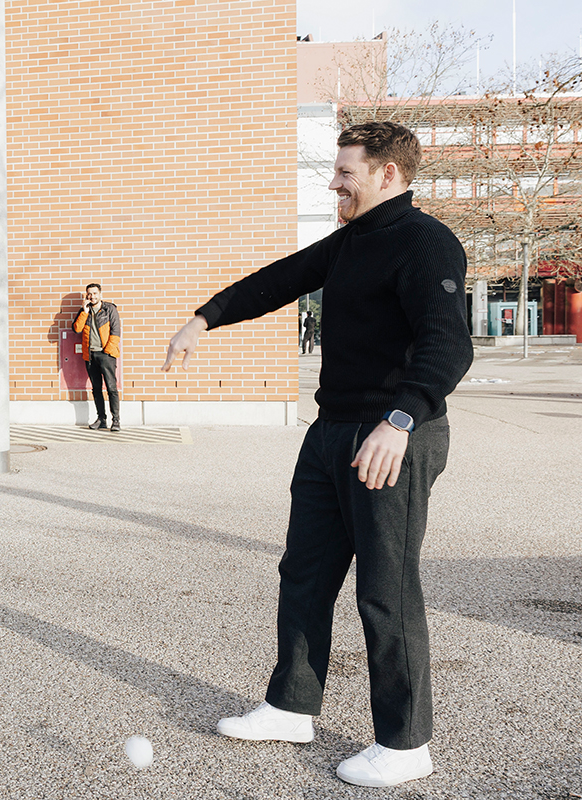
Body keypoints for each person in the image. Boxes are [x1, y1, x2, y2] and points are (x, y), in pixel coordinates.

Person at [162, 121, 472, 788]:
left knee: (384, 590)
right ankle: (291, 705)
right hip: (333, 430)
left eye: (346, 173)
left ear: (388, 174)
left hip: (393, 436)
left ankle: (406, 742)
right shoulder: (349, 243)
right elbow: (279, 279)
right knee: (303, 573)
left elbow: (450, 344)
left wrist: (401, 419)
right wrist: (203, 317)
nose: (334, 182)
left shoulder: (426, 244)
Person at [73, 283, 122, 431]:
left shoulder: (109, 309)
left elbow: (116, 332)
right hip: (90, 356)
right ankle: (101, 419)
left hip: (106, 354)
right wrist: (85, 311)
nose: (92, 296)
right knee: (96, 389)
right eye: (89, 294)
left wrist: (107, 351)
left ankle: (116, 421)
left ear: (100, 294)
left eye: (95, 293)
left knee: (111, 388)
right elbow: (77, 329)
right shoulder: (84, 311)